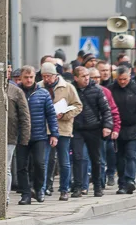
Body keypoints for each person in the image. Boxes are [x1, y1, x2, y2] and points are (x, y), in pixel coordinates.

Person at [39, 62, 82, 200]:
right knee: (44, 161)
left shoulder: (67, 87)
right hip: (44, 128)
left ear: (55, 75)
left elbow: (77, 106)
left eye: (49, 76)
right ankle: (42, 188)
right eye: (44, 76)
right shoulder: (39, 87)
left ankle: (64, 189)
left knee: (64, 161)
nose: (47, 79)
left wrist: (64, 115)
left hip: (62, 128)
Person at [17, 66, 59, 204]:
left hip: (39, 135)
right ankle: (25, 193)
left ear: (35, 77)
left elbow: (51, 115)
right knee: (22, 166)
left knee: (39, 164)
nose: (28, 80)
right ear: (21, 78)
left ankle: (39, 188)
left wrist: (54, 134)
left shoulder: (43, 93)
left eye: (31, 77)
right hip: (21, 135)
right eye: (26, 77)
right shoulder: (16, 92)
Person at [71, 65, 113, 198]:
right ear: (76, 78)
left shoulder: (96, 90)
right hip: (77, 129)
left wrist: (107, 126)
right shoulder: (71, 90)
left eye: (87, 76)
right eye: (83, 76)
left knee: (96, 159)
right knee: (78, 158)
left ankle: (97, 186)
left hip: (94, 128)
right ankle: (78, 187)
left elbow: (106, 110)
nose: (86, 79)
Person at [109, 67, 136, 194]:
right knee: (119, 157)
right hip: (116, 129)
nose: (122, 82)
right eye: (119, 79)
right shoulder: (111, 89)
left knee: (130, 155)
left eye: (125, 79)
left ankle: (130, 180)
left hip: (133, 128)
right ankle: (122, 183)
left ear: (130, 76)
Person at [90, 66, 120, 188]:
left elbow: (112, 111)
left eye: (98, 77)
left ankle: (101, 183)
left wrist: (113, 127)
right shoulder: (79, 91)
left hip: (101, 129)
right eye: (94, 77)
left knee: (101, 158)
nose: (96, 79)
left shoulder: (105, 91)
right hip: (85, 129)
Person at [7, 69, 31, 204]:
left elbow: (24, 116)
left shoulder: (15, 91)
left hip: (10, 135)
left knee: (6, 167)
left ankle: (5, 198)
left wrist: (24, 137)